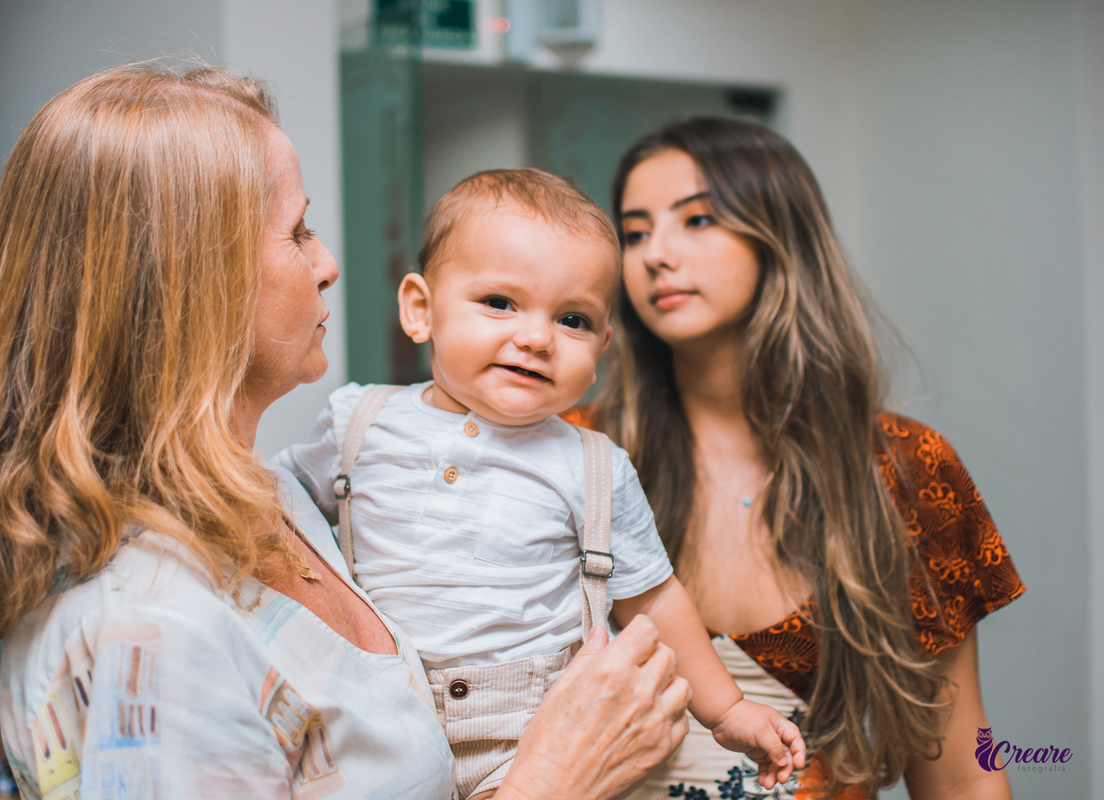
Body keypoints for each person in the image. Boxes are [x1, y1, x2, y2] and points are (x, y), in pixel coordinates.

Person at [0, 63, 692, 800]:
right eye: (298, 231)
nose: (328, 264)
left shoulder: (278, 492)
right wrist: (553, 777)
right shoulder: (142, 634)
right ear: (190, 283)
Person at [274, 169, 806, 800]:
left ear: (603, 346)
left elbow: (655, 601)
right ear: (421, 309)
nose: (535, 337)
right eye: (499, 303)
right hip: (381, 723)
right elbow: (267, 504)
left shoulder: (592, 465)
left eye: (573, 320)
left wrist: (726, 710)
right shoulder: (357, 421)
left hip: (533, 735)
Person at [565, 116, 1025, 799]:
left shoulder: (907, 468)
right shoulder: (575, 454)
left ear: (781, 235)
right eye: (634, 232)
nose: (655, 254)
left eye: (697, 220)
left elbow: (960, 770)